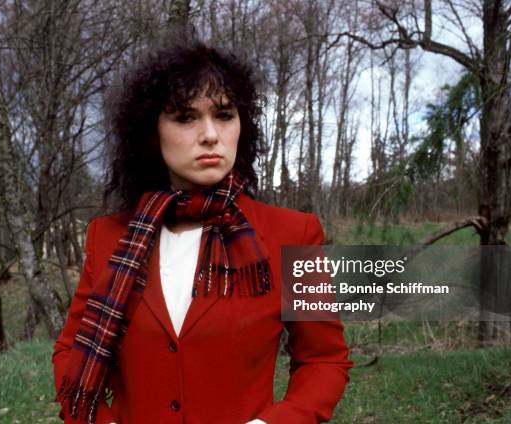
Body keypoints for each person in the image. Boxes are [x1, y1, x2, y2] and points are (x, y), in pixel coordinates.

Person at [52, 37, 352, 424]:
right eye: (185, 117)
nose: (210, 134)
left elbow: (323, 360)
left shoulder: (293, 235)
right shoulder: (108, 237)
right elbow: (70, 354)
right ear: (151, 131)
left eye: (225, 115)